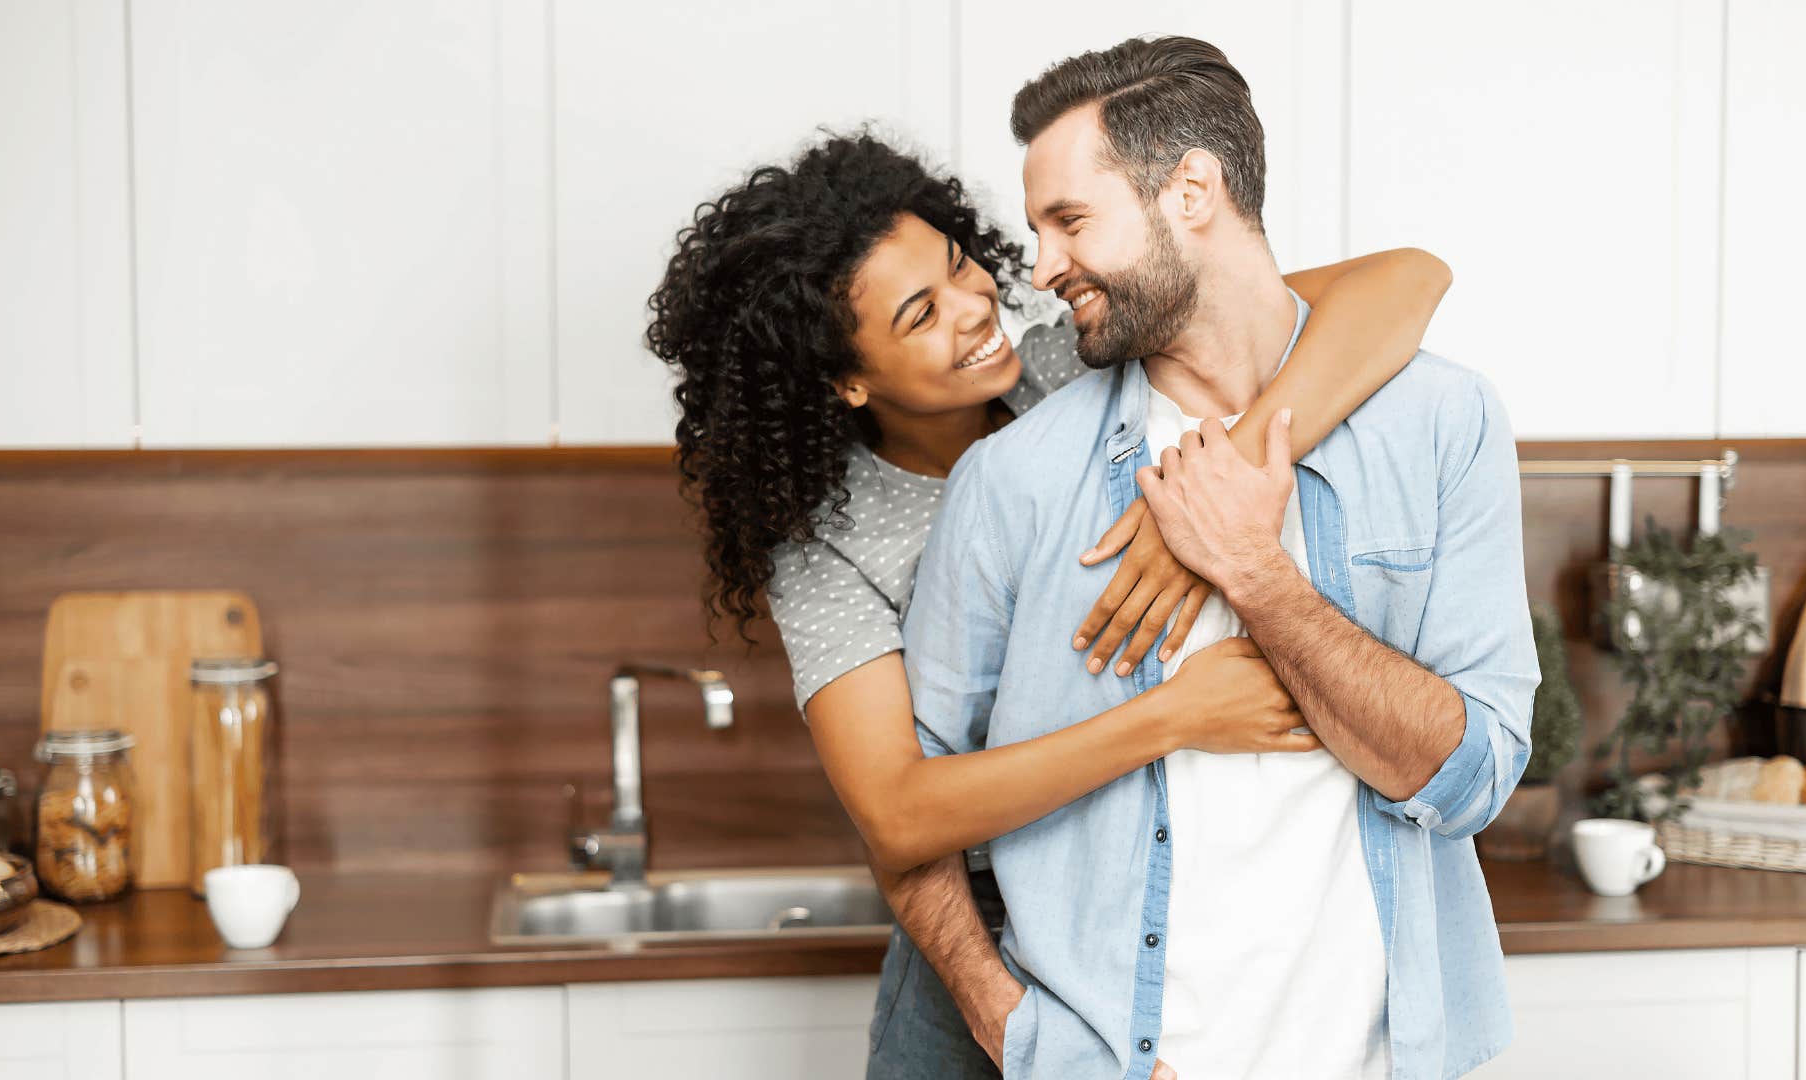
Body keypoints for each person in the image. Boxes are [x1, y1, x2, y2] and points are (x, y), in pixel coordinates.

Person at [647, 130, 1453, 1077]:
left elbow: (1407, 281)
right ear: (846, 380)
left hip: (1146, 913)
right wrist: (1171, 720)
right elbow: (901, 815)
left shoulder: (1071, 362)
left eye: (958, 266)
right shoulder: (829, 543)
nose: (975, 308)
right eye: (920, 314)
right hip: (978, 956)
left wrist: (1211, 498)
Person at [900, 36, 1540, 1079]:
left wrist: (1256, 573)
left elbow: (1471, 780)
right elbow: (919, 815)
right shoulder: (1012, 482)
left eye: (1070, 220)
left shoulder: (1442, 422)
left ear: (1191, 188)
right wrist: (1020, 1033)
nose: (1042, 266)